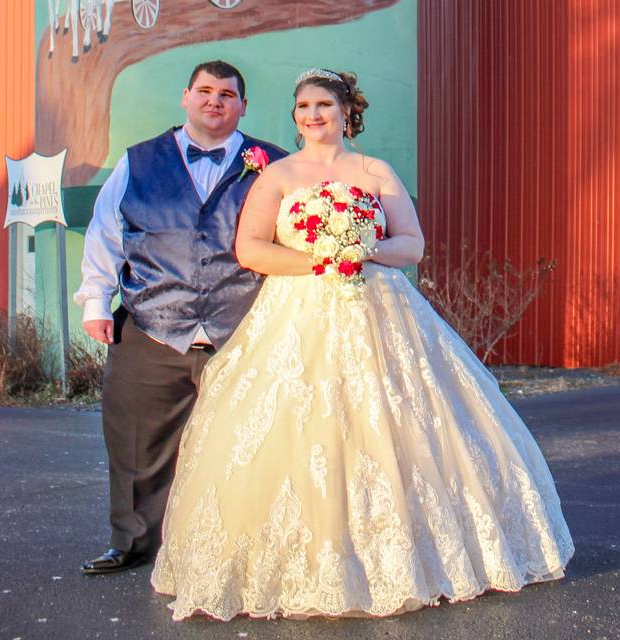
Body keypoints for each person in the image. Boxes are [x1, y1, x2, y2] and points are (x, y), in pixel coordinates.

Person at [150, 68, 573, 620]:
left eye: (324, 104)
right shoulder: (276, 175)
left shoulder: (373, 171)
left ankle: (410, 552)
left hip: (381, 311)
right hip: (297, 315)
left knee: (400, 423)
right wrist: (321, 260)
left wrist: (363, 251)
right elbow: (251, 249)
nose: (312, 115)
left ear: (347, 111)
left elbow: (411, 243)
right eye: (303, 106)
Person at [73, 60, 287, 575]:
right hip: (151, 326)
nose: (215, 101)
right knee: (136, 441)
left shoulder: (275, 165)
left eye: (227, 94)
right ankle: (131, 542)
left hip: (242, 329)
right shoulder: (137, 161)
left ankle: (240, 550)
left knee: (251, 443)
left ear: (243, 106)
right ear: (185, 97)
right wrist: (96, 303)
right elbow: (106, 232)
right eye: (205, 91)